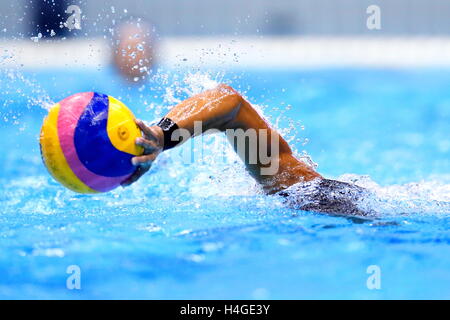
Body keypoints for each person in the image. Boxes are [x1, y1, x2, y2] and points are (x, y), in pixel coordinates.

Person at [121, 84, 369, 216]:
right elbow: (229, 102)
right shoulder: (299, 190)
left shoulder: (309, 197)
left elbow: (230, 103)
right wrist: (162, 135)